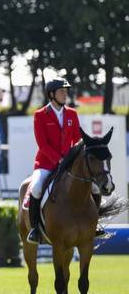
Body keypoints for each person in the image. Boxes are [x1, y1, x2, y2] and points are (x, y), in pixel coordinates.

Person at [27, 77, 105, 243]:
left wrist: (75, 157)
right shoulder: (40, 115)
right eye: (62, 91)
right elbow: (42, 144)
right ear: (52, 94)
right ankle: (35, 229)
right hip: (46, 163)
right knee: (36, 189)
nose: (65, 94)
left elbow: (77, 140)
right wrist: (59, 159)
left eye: (66, 91)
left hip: (69, 163)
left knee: (96, 189)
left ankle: (95, 223)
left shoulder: (72, 113)